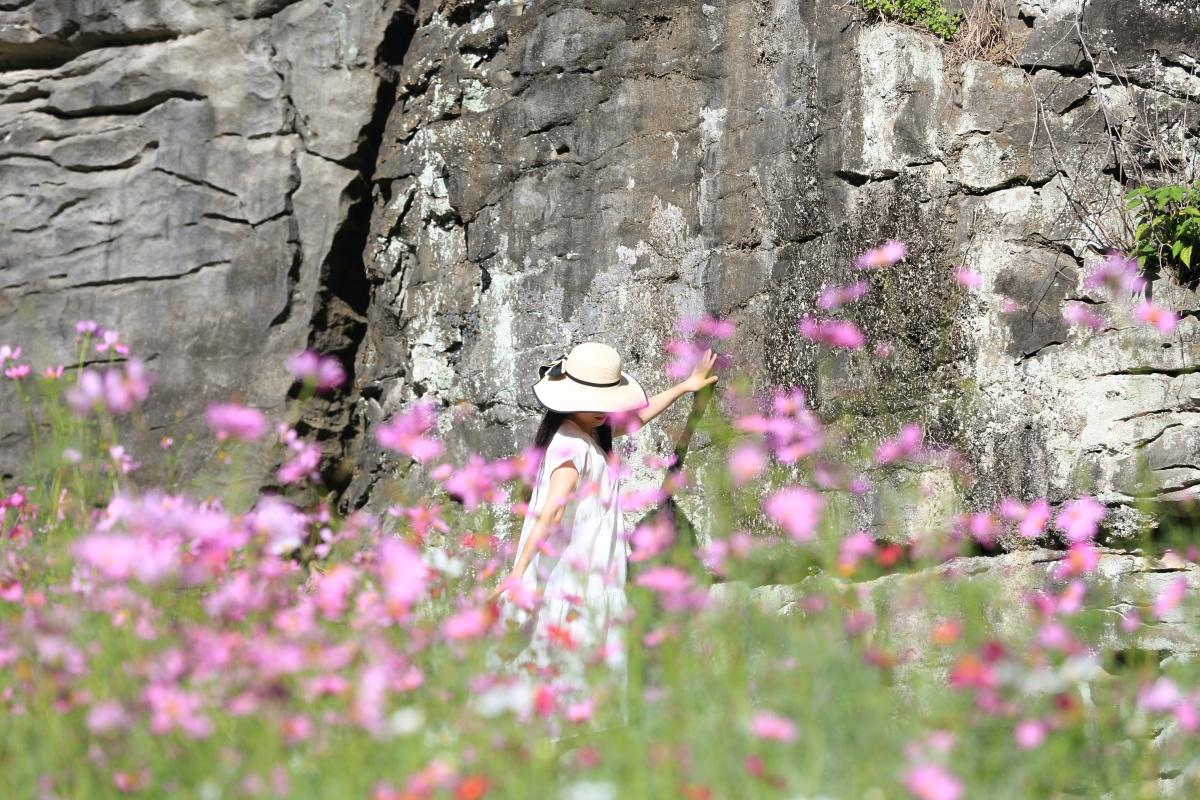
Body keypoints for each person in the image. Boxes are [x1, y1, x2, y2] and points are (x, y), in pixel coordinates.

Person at [484, 340, 718, 738]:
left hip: (588, 582)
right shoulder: (572, 446)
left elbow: (635, 419)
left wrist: (684, 387)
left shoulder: (585, 430)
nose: (603, 408)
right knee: (573, 691)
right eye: (594, 399)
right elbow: (552, 511)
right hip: (576, 585)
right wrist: (517, 571)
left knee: (576, 690)